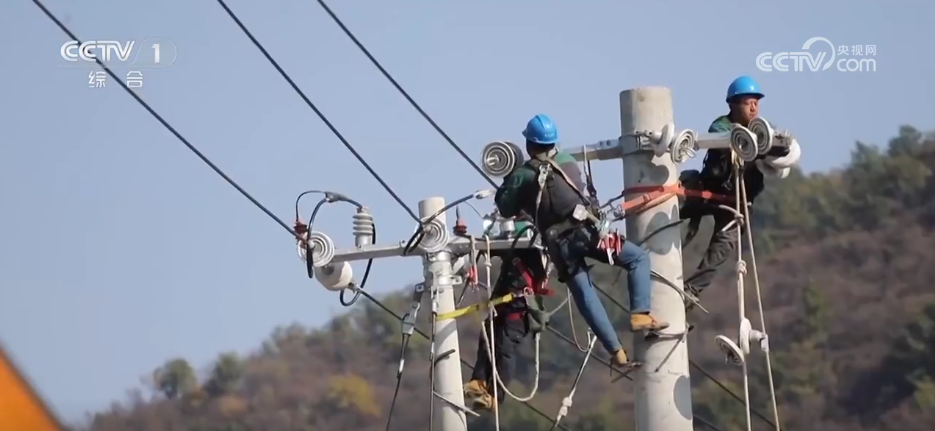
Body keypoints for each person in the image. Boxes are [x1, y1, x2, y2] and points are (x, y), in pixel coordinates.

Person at [492, 114, 669, 369]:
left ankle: (616, 351)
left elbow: (505, 208)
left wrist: (510, 179)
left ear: (529, 144)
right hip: (587, 232)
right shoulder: (567, 161)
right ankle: (640, 314)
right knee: (637, 258)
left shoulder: (523, 174)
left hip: (559, 246)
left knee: (585, 295)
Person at [680, 76, 791, 309]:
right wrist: (751, 144)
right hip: (711, 191)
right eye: (747, 102)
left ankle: (690, 292)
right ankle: (656, 248)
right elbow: (728, 139)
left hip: (737, 203)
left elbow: (779, 146)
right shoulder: (720, 126)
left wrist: (773, 146)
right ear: (732, 105)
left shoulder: (763, 132)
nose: (753, 107)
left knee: (722, 247)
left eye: (756, 103)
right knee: (675, 212)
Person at [463, 230, 546, 411]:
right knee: (486, 337)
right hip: (502, 306)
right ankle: (479, 381)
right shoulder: (513, 248)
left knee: (503, 347)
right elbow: (491, 247)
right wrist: (471, 241)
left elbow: (537, 245)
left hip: (519, 310)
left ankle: (495, 396)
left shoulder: (532, 250)